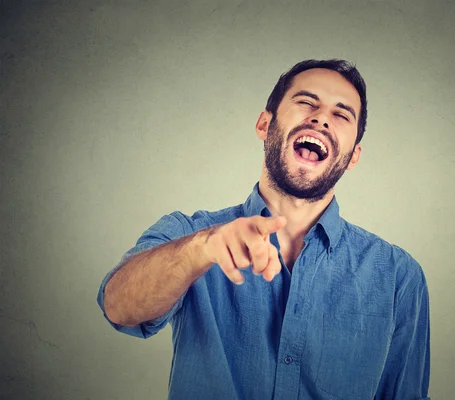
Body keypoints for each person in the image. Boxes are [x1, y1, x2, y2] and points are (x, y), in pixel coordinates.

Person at [97, 59, 431, 400]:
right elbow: (118, 307)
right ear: (264, 125)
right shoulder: (189, 234)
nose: (321, 118)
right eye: (306, 102)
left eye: (342, 114)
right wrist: (202, 249)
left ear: (353, 156)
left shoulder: (398, 276)